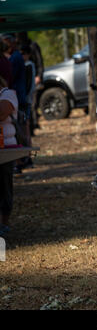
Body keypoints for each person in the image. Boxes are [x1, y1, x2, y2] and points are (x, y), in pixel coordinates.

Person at [0, 74, 18, 237]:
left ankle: (4, 222)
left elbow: (2, 112)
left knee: (5, 185)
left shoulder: (8, 94)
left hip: (7, 148)